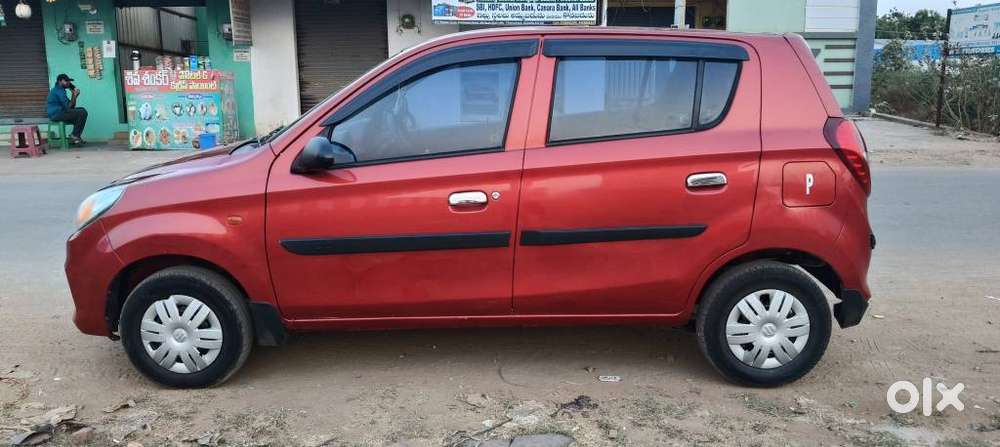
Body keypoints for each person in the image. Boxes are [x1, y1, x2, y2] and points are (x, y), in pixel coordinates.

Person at [46, 74, 88, 145]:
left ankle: (75, 136)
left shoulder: (61, 90)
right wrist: (74, 95)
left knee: (81, 110)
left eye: (69, 81)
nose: (68, 83)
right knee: (82, 112)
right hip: (56, 114)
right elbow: (69, 107)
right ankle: (75, 135)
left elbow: (71, 107)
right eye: (66, 81)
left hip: (61, 112)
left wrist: (74, 95)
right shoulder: (58, 91)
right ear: (60, 81)